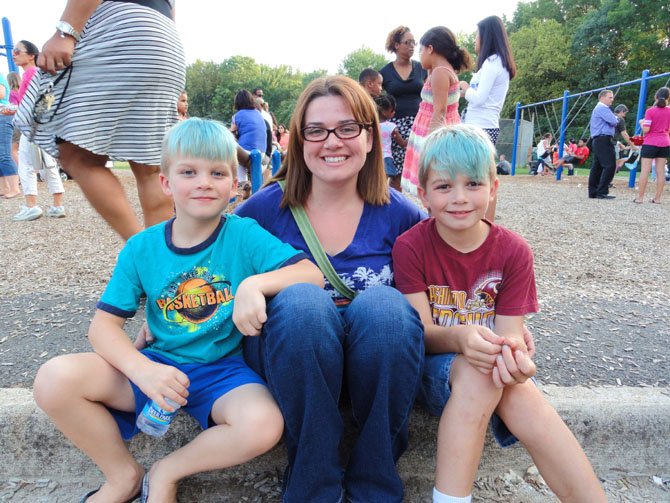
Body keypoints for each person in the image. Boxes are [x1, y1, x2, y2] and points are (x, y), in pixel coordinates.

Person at [32, 118, 324, 503]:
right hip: (156, 365)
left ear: (234, 185)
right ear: (166, 183)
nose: (204, 182)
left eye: (217, 172)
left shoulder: (243, 234)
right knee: (54, 378)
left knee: (264, 424)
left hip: (222, 371)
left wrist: (255, 284)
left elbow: (311, 274)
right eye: (189, 172)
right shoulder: (142, 248)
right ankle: (122, 475)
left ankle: (166, 471)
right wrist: (144, 371)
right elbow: (103, 327)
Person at [393, 124, 608, 503]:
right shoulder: (411, 247)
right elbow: (420, 332)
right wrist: (462, 337)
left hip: (488, 366)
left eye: (473, 184)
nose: (459, 198)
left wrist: (517, 360)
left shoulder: (514, 252)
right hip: (433, 369)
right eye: (444, 186)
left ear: (493, 188)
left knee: (515, 387)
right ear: (423, 194)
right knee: (484, 375)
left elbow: (510, 334)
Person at [235, 75, 425, 502]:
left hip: (377, 362)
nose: (331, 142)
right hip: (291, 358)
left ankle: (375, 484)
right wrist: (162, 315)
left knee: (386, 308)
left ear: (371, 137)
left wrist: (500, 325)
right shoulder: (266, 207)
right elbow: (200, 257)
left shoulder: (402, 215)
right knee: (302, 302)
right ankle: (312, 487)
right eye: (316, 130)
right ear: (299, 142)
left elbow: (449, 276)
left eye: (347, 128)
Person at [14, 0, 185, 239]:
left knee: (78, 156)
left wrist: (66, 30)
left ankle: (142, 255)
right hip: (165, 41)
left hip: (120, 29)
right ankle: (165, 263)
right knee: (150, 168)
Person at [402, 26, 472, 195]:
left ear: (430, 48)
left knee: (434, 182)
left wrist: (431, 145)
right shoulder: (441, 70)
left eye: (421, 50)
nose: (420, 55)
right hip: (438, 128)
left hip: (434, 132)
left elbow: (439, 111)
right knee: (437, 183)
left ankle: (435, 218)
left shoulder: (440, 72)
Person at [459, 15, 516, 220]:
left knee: (481, 180)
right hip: (481, 126)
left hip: (481, 127)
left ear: (487, 36)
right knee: (478, 178)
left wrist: (465, 90)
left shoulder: (494, 63)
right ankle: (481, 222)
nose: (475, 40)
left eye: (477, 35)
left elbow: (480, 98)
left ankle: (486, 224)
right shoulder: (493, 64)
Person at [11, 40, 66, 221]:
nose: (14, 53)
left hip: (32, 126)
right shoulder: (40, 74)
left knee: (26, 164)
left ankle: (31, 205)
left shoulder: (30, 74)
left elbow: (42, 101)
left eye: (18, 51)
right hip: (42, 125)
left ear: (31, 55)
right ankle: (57, 205)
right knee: (48, 164)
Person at [379, 26, 427, 182]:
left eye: (414, 42)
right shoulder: (384, 73)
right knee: (397, 173)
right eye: (408, 42)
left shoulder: (422, 68)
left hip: (419, 124)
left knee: (423, 170)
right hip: (395, 128)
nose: (412, 46)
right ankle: (397, 205)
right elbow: (376, 100)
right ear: (396, 45)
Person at [634, 86, 670, 204]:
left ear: (655, 97)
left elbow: (646, 130)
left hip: (650, 142)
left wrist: (641, 122)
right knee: (660, 171)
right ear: (668, 98)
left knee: (645, 170)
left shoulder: (650, 111)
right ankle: (658, 198)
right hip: (664, 142)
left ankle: (640, 198)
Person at [230, 89, 268, 183]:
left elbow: (232, 135)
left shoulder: (237, 116)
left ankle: (242, 183)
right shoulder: (259, 114)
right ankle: (248, 184)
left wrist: (231, 131)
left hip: (246, 152)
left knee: (233, 151)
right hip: (262, 152)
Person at [588, 89, 618, 199]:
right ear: (602, 98)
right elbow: (614, 121)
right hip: (603, 139)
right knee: (610, 165)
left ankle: (594, 192)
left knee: (597, 166)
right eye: (610, 97)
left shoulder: (600, 108)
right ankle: (602, 191)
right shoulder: (602, 108)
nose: (612, 99)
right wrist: (616, 118)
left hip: (598, 139)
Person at [377, 94, 408, 191]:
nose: (394, 112)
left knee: (377, 181)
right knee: (386, 181)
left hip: (373, 157)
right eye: (392, 111)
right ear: (385, 112)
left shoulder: (371, 125)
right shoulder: (391, 127)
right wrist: (412, 139)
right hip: (386, 157)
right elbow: (402, 143)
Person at [0, 72, 21, 199]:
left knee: (5, 154)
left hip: (3, 116)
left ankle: (15, 188)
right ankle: (4, 188)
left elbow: (1, 94)